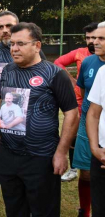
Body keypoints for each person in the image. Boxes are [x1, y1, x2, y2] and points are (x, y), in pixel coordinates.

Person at [0, 22, 78, 216]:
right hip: (9, 156)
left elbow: (72, 114)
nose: (14, 48)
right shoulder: (7, 70)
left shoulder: (55, 74)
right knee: (14, 208)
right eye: (12, 44)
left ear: (37, 46)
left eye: (21, 43)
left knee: (44, 210)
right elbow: (1, 102)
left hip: (41, 157)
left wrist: (61, 153)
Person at [0, 11, 46, 217]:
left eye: (9, 26)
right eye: (0, 27)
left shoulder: (27, 51)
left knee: (20, 159)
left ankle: (25, 201)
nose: (5, 31)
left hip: (19, 118)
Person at [54, 22, 98, 182]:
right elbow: (58, 62)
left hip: (99, 107)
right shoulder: (80, 53)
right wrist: (72, 81)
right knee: (74, 136)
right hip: (81, 103)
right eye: (89, 38)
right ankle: (73, 169)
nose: (92, 41)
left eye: (96, 37)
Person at [73, 21, 105, 217]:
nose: (94, 42)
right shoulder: (92, 65)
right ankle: (85, 211)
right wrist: (96, 147)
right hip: (90, 125)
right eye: (93, 38)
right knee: (87, 172)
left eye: (100, 38)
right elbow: (89, 98)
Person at [86, 64, 105, 217]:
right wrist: (94, 148)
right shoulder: (103, 71)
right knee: (100, 208)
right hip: (101, 155)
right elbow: (93, 114)